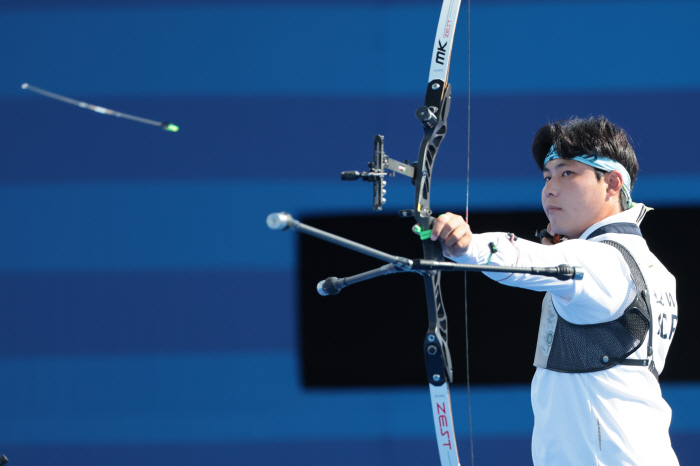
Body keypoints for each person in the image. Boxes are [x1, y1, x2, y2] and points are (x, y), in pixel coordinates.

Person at [430, 116, 679, 465]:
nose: (549, 188)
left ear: (611, 184)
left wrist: (466, 246)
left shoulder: (599, 260)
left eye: (567, 173)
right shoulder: (655, 268)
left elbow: (522, 257)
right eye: (547, 176)